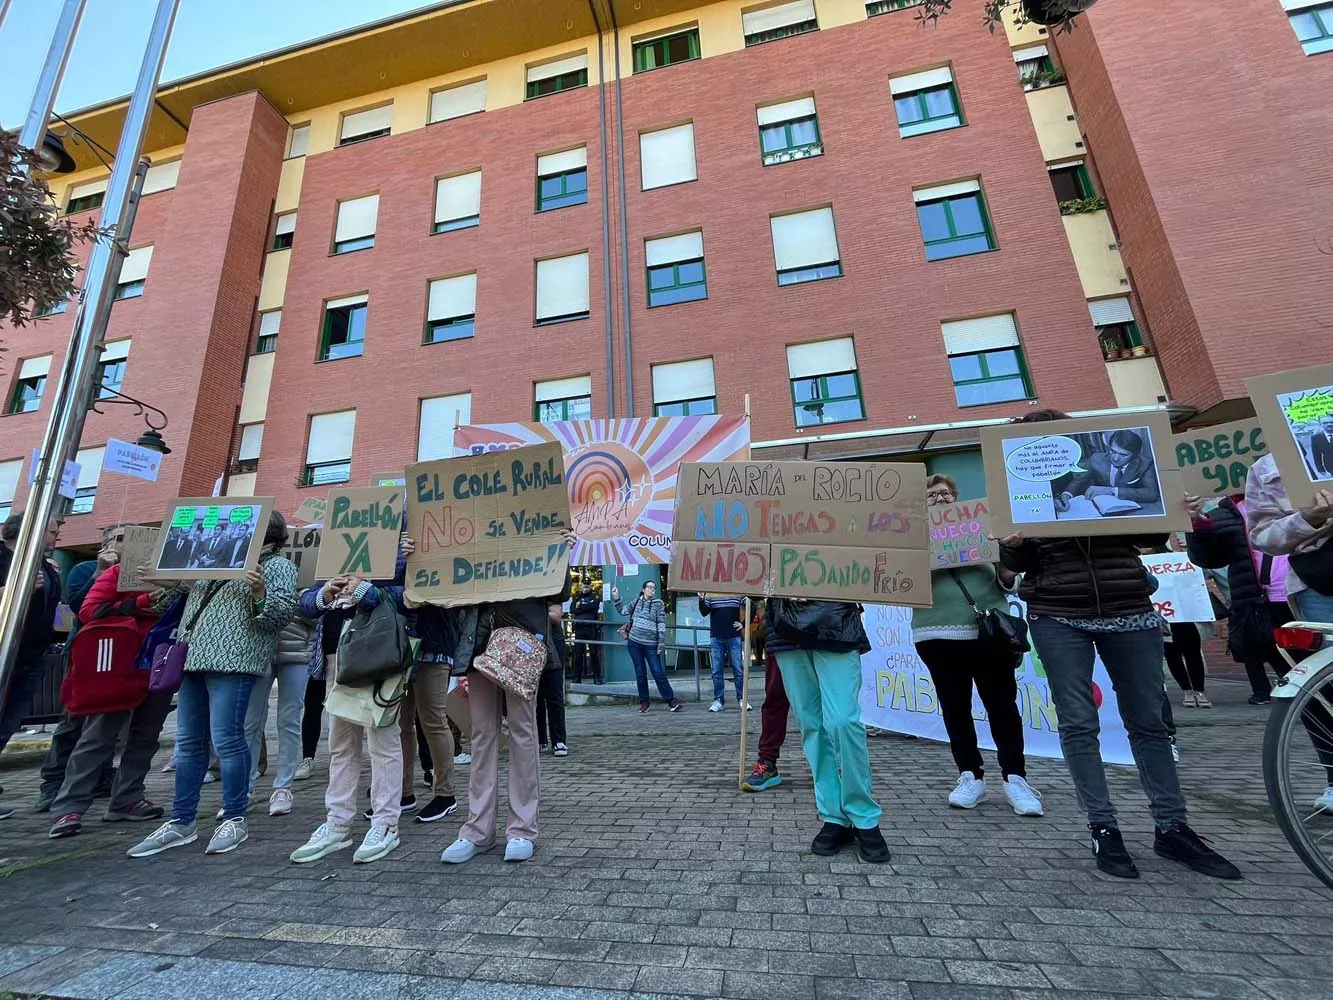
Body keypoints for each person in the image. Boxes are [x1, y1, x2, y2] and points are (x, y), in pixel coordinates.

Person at [998, 409, 1239, 880]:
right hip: (1058, 613)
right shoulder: (1017, 485)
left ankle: (1172, 827)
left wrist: (1175, 509)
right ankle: (1103, 828)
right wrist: (1011, 544)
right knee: (1078, 721)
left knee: (1150, 720)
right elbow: (1019, 562)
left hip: (1129, 605)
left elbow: (1149, 534)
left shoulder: (1097, 471)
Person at [127, 511, 298, 858]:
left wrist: (259, 591)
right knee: (189, 743)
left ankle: (235, 817)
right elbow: (179, 602)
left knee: (228, 741)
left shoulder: (278, 566)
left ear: (267, 535)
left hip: (234, 662)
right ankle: (181, 821)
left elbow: (280, 616)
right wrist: (165, 583)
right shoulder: (213, 562)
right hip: (192, 659)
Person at [913, 474, 1043, 816]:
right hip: (936, 633)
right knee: (955, 708)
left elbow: (1006, 579)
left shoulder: (981, 529)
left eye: (945, 494)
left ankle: (1015, 778)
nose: (939, 499)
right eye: (931, 495)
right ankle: (970, 775)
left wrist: (1008, 556)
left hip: (987, 631)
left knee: (1002, 705)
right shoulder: (909, 540)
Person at [442, 570, 572, 865]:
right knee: (482, 733)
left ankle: (522, 829)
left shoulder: (538, 527)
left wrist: (560, 551)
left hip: (521, 638)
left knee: (522, 730)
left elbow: (560, 592)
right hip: (478, 638)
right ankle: (477, 830)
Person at [290, 567, 408, 865]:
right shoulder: (335, 548)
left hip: (378, 654)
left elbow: (412, 597)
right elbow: (306, 603)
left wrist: (365, 591)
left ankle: (385, 824)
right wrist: (325, 592)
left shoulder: (398, 551)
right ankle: (338, 823)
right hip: (338, 657)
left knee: (383, 742)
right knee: (341, 744)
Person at [47, 560, 171, 838]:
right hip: (118, 666)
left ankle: (127, 799)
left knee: (145, 737)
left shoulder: (179, 576)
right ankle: (69, 807)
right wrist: (139, 604)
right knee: (98, 737)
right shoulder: (119, 572)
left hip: (159, 663)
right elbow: (88, 611)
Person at [765, 597, 890, 863]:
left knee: (844, 722)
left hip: (836, 624)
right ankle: (834, 815)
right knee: (813, 726)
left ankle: (862, 813)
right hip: (787, 631)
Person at [1244, 456, 1333, 811]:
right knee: (1325, 687)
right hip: (1321, 582)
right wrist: (1307, 519)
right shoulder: (1267, 466)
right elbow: (1263, 536)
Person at [35, 529, 121, 812]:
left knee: (108, 718)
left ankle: (100, 775)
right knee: (74, 716)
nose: (124, 543)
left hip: (119, 651)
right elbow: (76, 606)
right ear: (106, 543)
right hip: (87, 649)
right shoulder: (84, 569)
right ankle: (53, 782)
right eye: (120, 537)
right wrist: (100, 572)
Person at [1188, 492, 1296, 704]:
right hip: (1253, 600)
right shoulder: (1226, 514)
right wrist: (1198, 526)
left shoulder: (1292, 498)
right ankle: (1272, 694)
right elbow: (1208, 557)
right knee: (1258, 651)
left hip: (1302, 593)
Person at [0, 513, 62, 820]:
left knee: (7, 724)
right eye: (51, 531)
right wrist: (12, 591)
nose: (55, 538)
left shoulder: (45, 567)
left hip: (31, 656)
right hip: (5, 655)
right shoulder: (3, 559)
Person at [397, 555, 461, 825]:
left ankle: (445, 794)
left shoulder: (445, 546)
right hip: (399, 643)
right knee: (401, 723)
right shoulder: (393, 548)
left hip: (434, 639)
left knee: (432, 720)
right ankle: (403, 793)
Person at [244, 606, 316, 817]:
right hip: (258, 649)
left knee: (289, 719)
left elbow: (318, 613)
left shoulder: (309, 577)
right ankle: (243, 790)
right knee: (250, 722)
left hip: (296, 651)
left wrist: (284, 603)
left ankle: (283, 788)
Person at [612, 580, 680, 713]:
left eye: (654, 588)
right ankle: (644, 702)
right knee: (640, 673)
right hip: (634, 643)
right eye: (649, 587)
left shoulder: (658, 604)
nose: (652, 590)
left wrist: (660, 643)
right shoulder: (636, 601)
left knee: (658, 672)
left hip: (651, 645)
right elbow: (623, 611)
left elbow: (661, 623)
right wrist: (616, 597)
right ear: (643, 589)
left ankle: (671, 701)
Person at [1063, 429, 1161, 507]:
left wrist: (1111, 490)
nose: (1115, 458)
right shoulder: (1096, 459)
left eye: (1123, 455)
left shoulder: (1145, 464)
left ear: (1134, 455)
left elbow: (1151, 493)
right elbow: (1078, 481)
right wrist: (1066, 495)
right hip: (1102, 508)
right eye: (1113, 451)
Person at [741, 651, 790, 792]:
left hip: (819, 640)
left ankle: (827, 766)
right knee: (775, 698)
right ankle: (767, 762)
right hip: (781, 642)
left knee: (817, 705)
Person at [700, 593, 746, 713]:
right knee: (716, 671)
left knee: (738, 669)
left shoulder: (736, 591)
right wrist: (701, 599)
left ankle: (742, 699)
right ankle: (718, 700)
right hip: (716, 636)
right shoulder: (711, 593)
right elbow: (704, 612)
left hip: (733, 636)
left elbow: (752, 604)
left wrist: (744, 623)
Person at [536, 602, 569, 756]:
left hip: (553, 643)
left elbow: (556, 616)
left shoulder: (551, 590)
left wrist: (529, 614)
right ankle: (540, 739)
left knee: (554, 694)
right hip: (532, 642)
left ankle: (558, 740)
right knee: (536, 697)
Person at [570, 581, 603, 683]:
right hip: (579, 628)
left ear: (590, 587)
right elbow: (572, 610)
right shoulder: (577, 598)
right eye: (584, 586)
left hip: (591, 628)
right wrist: (585, 608)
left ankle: (597, 677)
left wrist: (580, 607)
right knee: (578, 654)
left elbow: (594, 608)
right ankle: (577, 677)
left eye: (587, 586)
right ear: (581, 587)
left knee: (593, 653)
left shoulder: (595, 597)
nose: (585, 588)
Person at [1310, 414, 1333, 479]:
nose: (1329, 424)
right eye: (1325, 423)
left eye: (1331, 422)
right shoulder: (1316, 438)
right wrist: (1320, 468)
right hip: (1331, 465)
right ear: (1321, 425)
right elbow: (1316, 454)